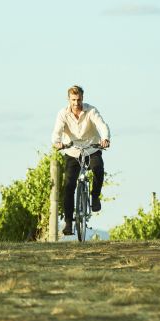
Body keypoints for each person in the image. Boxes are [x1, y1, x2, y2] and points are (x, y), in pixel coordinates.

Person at [51, 85, 110, 235]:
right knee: (69, 185)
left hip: (91, 148)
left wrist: (105, 139)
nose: (76, 103)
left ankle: (95, 196)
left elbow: (102, 125)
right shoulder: (62, 114)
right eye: (73, 100)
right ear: (68, 99)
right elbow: (56, 132)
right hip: (72, 151)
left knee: (98, 168)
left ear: (83, 98)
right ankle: (69, 223)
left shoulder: (91, 111)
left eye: (79, 99)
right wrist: (58, 142)